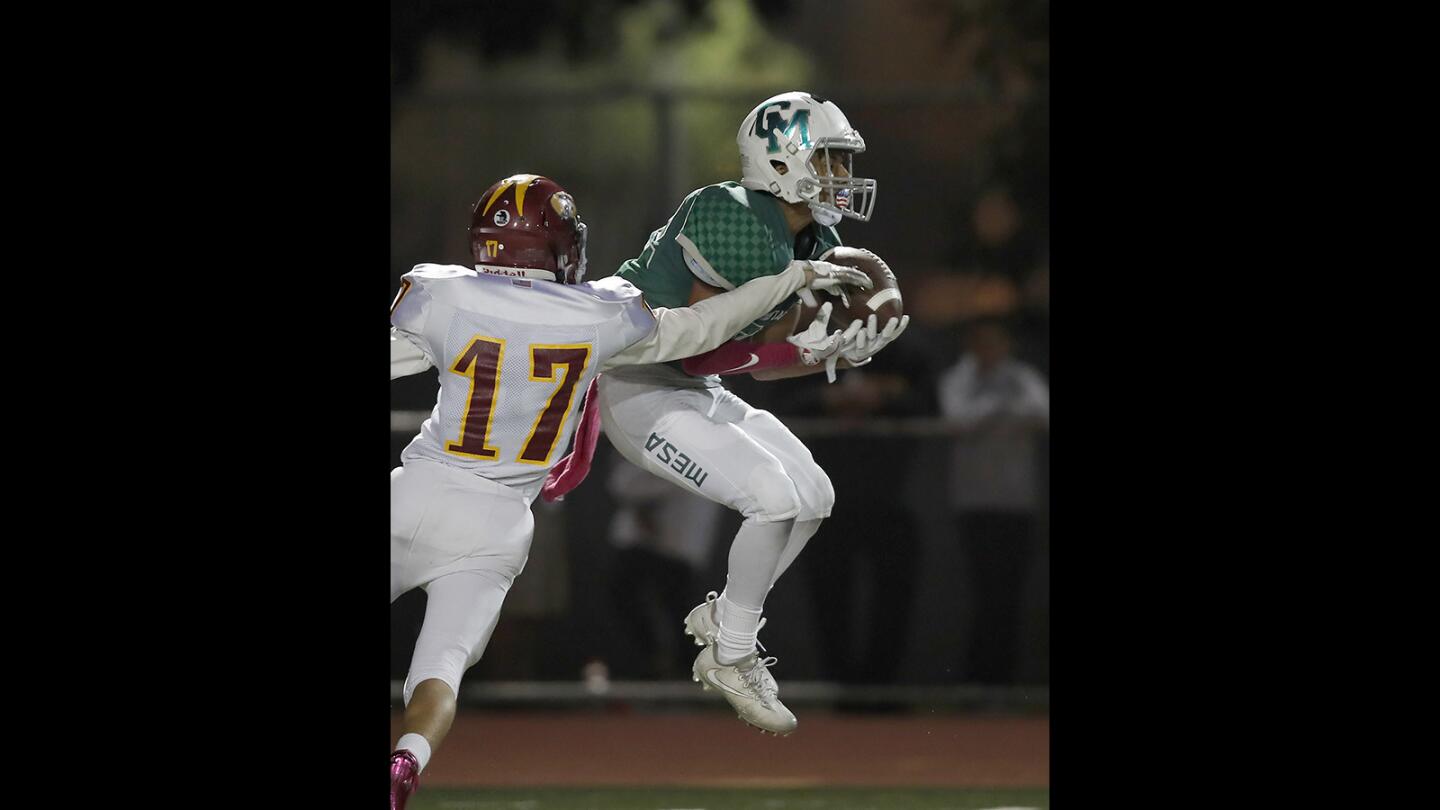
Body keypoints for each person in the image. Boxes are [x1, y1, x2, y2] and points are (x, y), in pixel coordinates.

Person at [387, 173, 870, 808]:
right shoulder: (600, 313)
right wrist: (791, 281)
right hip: (496, 528)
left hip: (415, 491)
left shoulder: (436, 291)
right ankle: (405, 764)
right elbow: (698, 330)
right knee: (440, 671)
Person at [595, 91, 909, 735]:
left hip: (688, 383)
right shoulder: (733, 217)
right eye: (829, 161)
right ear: (782, 160)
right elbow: (701, 348)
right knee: (771, 497)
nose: (843, 178)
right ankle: (732, 654)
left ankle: (727, 621)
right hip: (637, 381)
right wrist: (793, 347)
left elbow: (761, 359)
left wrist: (830, 357)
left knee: (814, 494)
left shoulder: (813, 235)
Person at [936, 318, 1049, 685]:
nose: (990, 350)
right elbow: (959, 420)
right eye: (982, 342)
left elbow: (1041, 412)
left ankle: (1004, 685)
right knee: (983, 593)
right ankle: (977, 683)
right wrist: (1001, 408)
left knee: (1010, 594)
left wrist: (992, 410)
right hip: (974, 503)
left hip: (1017, 503)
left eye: (996, 342)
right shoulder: (959, 378)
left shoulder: (1022, 376)